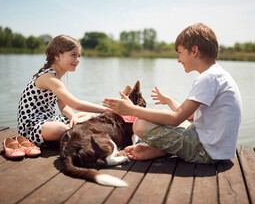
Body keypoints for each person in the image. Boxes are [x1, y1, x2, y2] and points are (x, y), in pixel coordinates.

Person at [103, 23, 242, 163]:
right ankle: (159, 150)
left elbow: (176, 118)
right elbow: (191, 116)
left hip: (206, 152)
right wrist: (168, 101)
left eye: (180, 53)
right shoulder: (218, 75)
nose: (179, 60)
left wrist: (132, 110)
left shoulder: (207, 78)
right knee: (161, 115)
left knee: (140, 124)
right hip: (216, 149)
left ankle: (160, 150)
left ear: (194, 51)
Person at [17, 35, 106, 147]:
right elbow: (76, 104)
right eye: (73, 55)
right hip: (31, 127)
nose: (77, 60)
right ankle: (72, 131)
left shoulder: (57, 78)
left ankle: (73, 130)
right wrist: (108, 109)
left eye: (78, 56)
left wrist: (73, 116)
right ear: (58, 55)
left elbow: (63, 106)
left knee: (91, 115)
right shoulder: (49, 77)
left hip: (48, 120)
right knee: (60, 129)